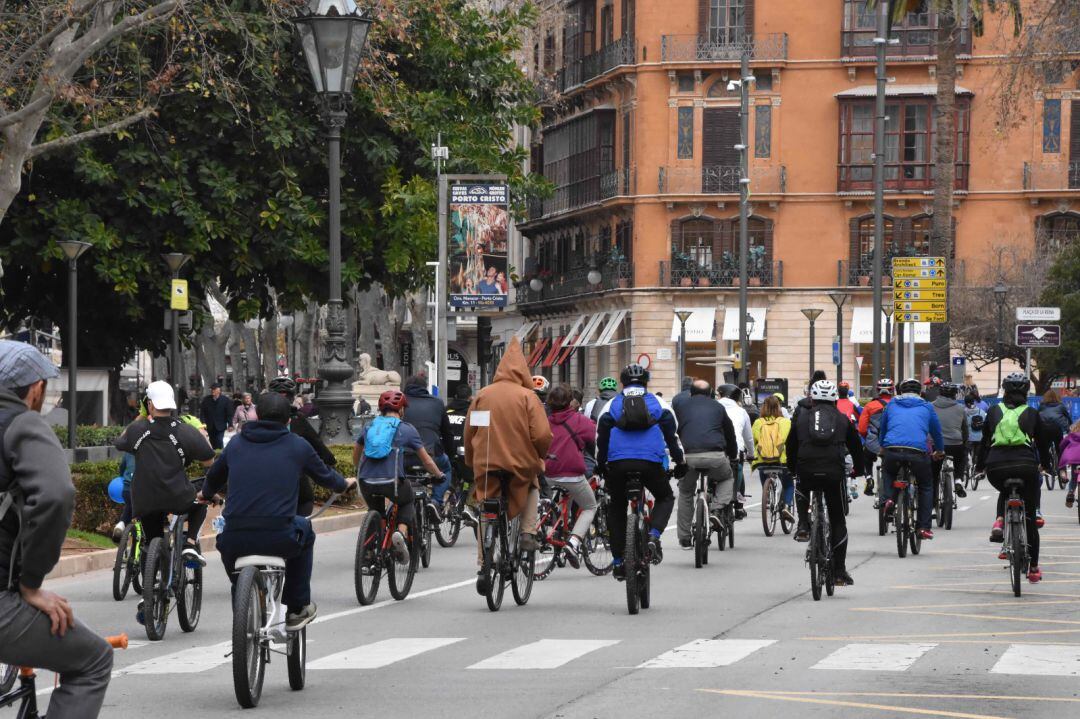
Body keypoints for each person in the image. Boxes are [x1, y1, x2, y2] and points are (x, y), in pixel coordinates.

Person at [0, 340, 114, 718]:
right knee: (93, 660)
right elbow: (55, 495)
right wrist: (30, 583)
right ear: (35, 389)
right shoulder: (21, 423)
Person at [199, 392, 354, 629]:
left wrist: (205, 495)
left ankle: (242, 601)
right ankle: (297, 605)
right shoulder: (298, 446)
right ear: (288, 420)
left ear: (257, 415)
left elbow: (213, 479)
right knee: (305, 528)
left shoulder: (236, 444)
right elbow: (326, 477)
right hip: (280, 536)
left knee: (232, 565)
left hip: (235, 538)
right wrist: (344, 484)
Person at [464, 339, 552, 589]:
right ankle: (527, 533)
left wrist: (473, 459)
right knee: (533, 486)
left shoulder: (483, 394)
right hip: (520, 464)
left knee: (485, 508)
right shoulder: (528, 397)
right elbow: (542, 435)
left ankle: (483, 563)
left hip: (487, 461)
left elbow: (471, 430)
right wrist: (540, 456)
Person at [115, 381, 215, 571]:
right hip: (177, 496)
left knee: (153, 539)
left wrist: (143, 415)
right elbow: (209, 461)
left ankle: (153, 590)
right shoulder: (186, 431)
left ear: (150, 404)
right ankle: (190, 544)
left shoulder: (138, 430)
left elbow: (121, 440)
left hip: (143, 500)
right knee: (200, 503)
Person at [596, 363, 685, 576]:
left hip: (618, 464)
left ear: (622, 383)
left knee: (616, 508)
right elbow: (673, 437)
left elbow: (600, 440)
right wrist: (680, 462)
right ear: (646, 382)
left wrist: (601, 466)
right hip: (650, 463)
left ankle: (618, 562)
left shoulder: (611, 405)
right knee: (665, 497)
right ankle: (654, 535)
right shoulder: (659, 403)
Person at [786, 380, 865, 585]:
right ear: (834, 399)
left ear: (812, 398)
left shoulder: (802, 419)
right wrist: (859, 469)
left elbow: (791, 446)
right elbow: (856, 447)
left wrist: (792, 469)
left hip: (807, 469)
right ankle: (839, 571)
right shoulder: (842, 420)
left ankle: (803, 524)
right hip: (833, 473)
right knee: (838, 519)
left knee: (801, 484)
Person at [354, 390, 447, 565]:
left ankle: (367, 555)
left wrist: (357, 469)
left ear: (381, 409)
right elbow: (426, 460)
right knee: (407, 499)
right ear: (402, 410)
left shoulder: (369, 427)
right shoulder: (407, 429)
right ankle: (401, 533)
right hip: (392, 481)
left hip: (366, 480)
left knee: (375, 511)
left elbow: (356, 455)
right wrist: (438, 474)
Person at [976, 373, 1053, 583]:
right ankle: (1034, 568)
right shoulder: (1032, 412)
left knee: (1004, 489)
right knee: (1029, 519)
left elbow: (984, 443)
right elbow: (1044, 444)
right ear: (1026, 391)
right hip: (1026, 465)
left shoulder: (993, 411)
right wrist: (1045, 465)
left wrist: (979, 467)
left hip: (996, 466)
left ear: (1005, 390)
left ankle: (1000, 521)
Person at [879, 378, 945, 541]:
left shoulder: (891, 404)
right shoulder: (926, 406)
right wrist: (940, 450)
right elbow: (936, 431)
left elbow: (884, 427)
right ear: (920, 392)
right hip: (917, 452)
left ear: (900, 391)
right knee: (926, 486)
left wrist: (882, 446)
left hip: (892, 449)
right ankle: (923, 527)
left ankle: (888, 499)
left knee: (888, 472)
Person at [674, 380, 737, 549]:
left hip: (690, 458)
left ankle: (685, 538)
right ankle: (716, 510)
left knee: (686, 491)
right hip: (715, 456)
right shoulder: (718, 407)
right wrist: (732, 454)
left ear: (691, 393)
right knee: (727, 478)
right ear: (710, 393)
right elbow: (729, 433)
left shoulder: (681, 408)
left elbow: (674, 432)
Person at [545, 385, 598, 568]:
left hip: (547, 472)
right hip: (572, 475)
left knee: (550, 501)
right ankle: (573, 542)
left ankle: (549, 527)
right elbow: (593, 439)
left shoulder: (544, 421)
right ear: (570, 402)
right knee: (590, 506)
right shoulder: (580, 420)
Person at [268, 376, 338, 516]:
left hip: (263, 484)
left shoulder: (258, 421)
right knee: (305, 502)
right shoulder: (297, 419)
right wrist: (331, 461)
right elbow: (316, 443)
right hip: (294, 480)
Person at [402, 373, 457, 512]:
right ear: (425, 388)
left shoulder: (400, 402)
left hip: (402, 456)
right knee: (446, 469)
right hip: (431, 455)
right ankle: (436, 501)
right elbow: (447, 434)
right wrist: (450, 456)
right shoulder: (437, 403)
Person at [752, 394, 795, 524]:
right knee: (788, 485)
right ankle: (786, 506)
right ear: (779, 407)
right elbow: (791, 442)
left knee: (763, 472)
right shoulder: (786, 422)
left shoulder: (758, 423)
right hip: (781, 461)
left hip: (763, 461)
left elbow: (754, 441)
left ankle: (768, 496)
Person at [717, 384, 755, 518]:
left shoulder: (714, 407)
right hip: (735, 450)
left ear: (721, 395)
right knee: (738, 470)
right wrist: (751, 454)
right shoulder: (741, 411)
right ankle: (739, 506)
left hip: (714, 448)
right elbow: (748, 438)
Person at [931, 383, 969, 502]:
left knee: (934, 473)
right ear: (955, 394)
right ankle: (958, 479)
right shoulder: (960, 408)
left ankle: (932, 503)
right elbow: (965, 430)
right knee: (961, 457)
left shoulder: (930, 406)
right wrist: (965, 443)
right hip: (955, 444)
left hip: (935, 445)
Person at [858, 378, 894, 497]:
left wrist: (866, 438)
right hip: (893, 443)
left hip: (874, 442)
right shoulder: (896, 404)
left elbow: (862, 429)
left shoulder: (869, 406)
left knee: (866, 458)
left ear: (878, 390)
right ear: (892, 390)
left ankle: (869, 477)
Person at [199, 383, 232, 449]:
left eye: (214, 389)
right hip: (209, 425)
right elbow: (202, 413)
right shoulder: (206, 400)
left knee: (219, 440)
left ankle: (220, 455)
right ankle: (214, 456)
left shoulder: (225, 400)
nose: (212, 391)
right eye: (211, 389)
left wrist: (230, 425)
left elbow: (229, 413)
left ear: (219, 390)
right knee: (212, 441)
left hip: (221, 425)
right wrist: (203, 423)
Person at [1060, 419, 1080, 508]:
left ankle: (1071, 491)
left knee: (1074, 478)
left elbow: (1062, 445)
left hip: (1074, 459)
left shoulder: (1072, 435)